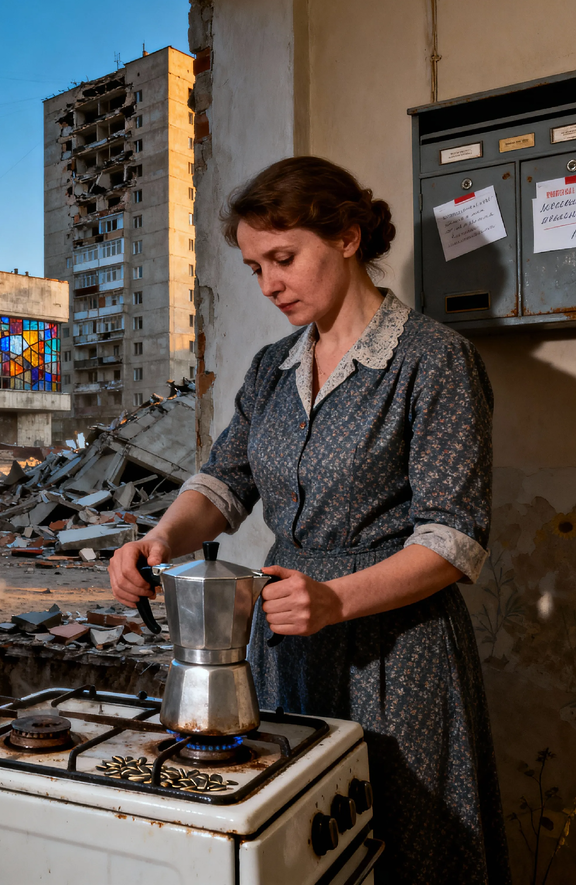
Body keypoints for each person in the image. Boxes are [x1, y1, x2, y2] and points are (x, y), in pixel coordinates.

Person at [107, 157, 508, 885]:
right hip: (286, 638)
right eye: (255, 267)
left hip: (396, 650)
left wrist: (336, 599)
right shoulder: (271, 369)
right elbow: (224, 483)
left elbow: (454, 538)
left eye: (283, 259)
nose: (268, 286)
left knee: (407, 840)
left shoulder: (434, 361)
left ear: (348, 236)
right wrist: (161, 538)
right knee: (300, 844)